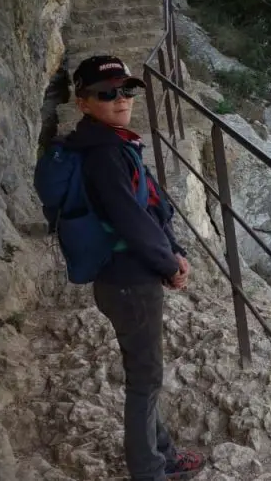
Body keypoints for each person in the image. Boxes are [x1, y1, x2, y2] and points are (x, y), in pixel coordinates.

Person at [64, 54, 204, 480]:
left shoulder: (114, 143)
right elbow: (131, 220)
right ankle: (150, 471)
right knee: (144, 381)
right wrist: (169, 265)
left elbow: (150, 208)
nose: (120, 98)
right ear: (83, 102)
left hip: (124, 277)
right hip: (129, 281)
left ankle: (162, 453)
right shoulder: (104, 154)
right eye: (106, 93)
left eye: (125, 90)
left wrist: (174, 250)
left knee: (145, 373)